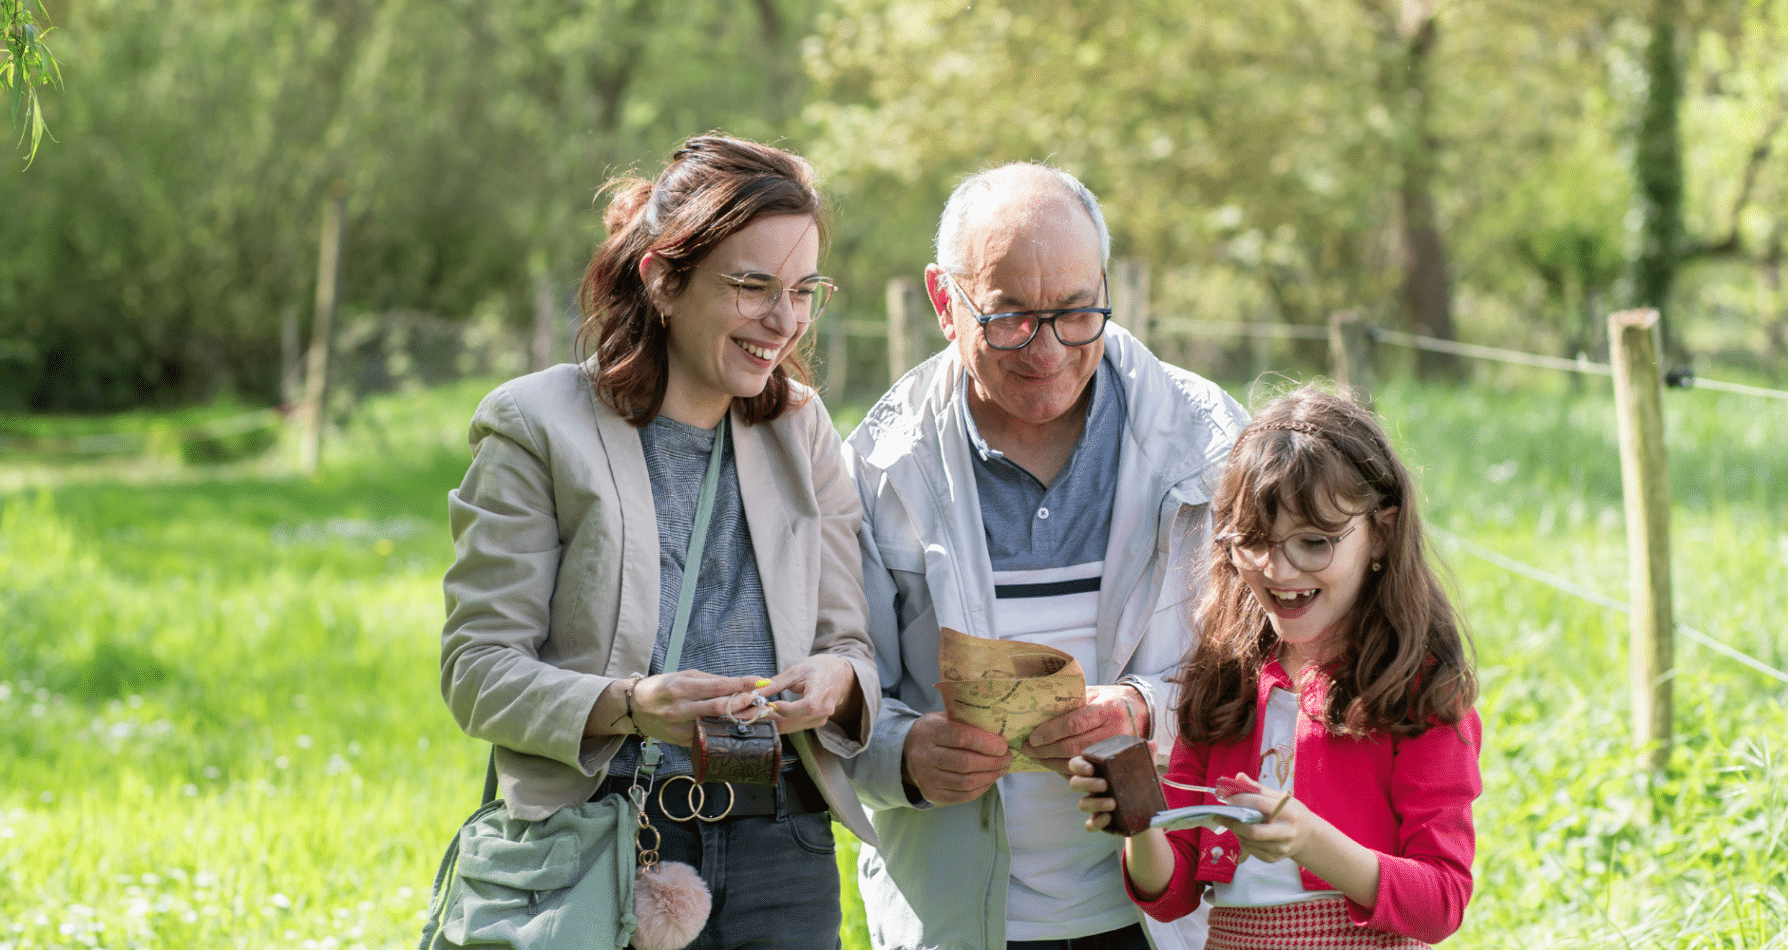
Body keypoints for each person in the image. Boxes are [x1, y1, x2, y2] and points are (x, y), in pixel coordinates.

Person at [439, 133, 879, 950]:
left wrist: (840, 682)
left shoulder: (804, 428)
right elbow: (476, 671)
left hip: (785, 852)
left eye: (804, 290)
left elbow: (848, 639)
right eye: (753, 286)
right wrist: (632, 708)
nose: (784, 322)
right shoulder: (536, 425)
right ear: (664, 280)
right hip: (603, 848)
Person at [843, 162, 1248, 950]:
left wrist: (1139, 711)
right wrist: (904, 754)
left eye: (1074, 313)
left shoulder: (1210, 442)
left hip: (1172, 914)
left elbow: (1276, 681)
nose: (1047, 349)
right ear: (943, 300)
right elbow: (838, 689)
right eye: (1009, 319)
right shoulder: (877, 466)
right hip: (961, 922)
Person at [1070, 387, 1482, 948]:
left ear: (1380, 534)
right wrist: (1140, 822)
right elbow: (1173, 895)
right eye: (1255, 541)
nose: (1278, 569)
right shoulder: (1226, 681)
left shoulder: (1416, 691)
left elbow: (1440, 902)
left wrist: (1310, 841)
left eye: (1314, 542)